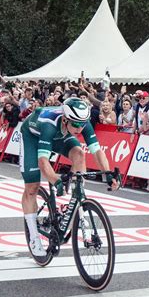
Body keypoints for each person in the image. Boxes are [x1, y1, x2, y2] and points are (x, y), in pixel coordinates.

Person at [19, 98, 119, 256]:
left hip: (62, 135)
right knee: (32, 187)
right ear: (65, 119)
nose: (80, 129)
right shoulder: (49, 124)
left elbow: (97, 151)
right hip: (33, 137)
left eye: (83, 124)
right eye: (76, 125)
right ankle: (33, 236)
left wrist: (108, 174)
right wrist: (57, 181)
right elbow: (43, 162)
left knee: (79, 154)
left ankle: (74, 204)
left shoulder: (81, 123)